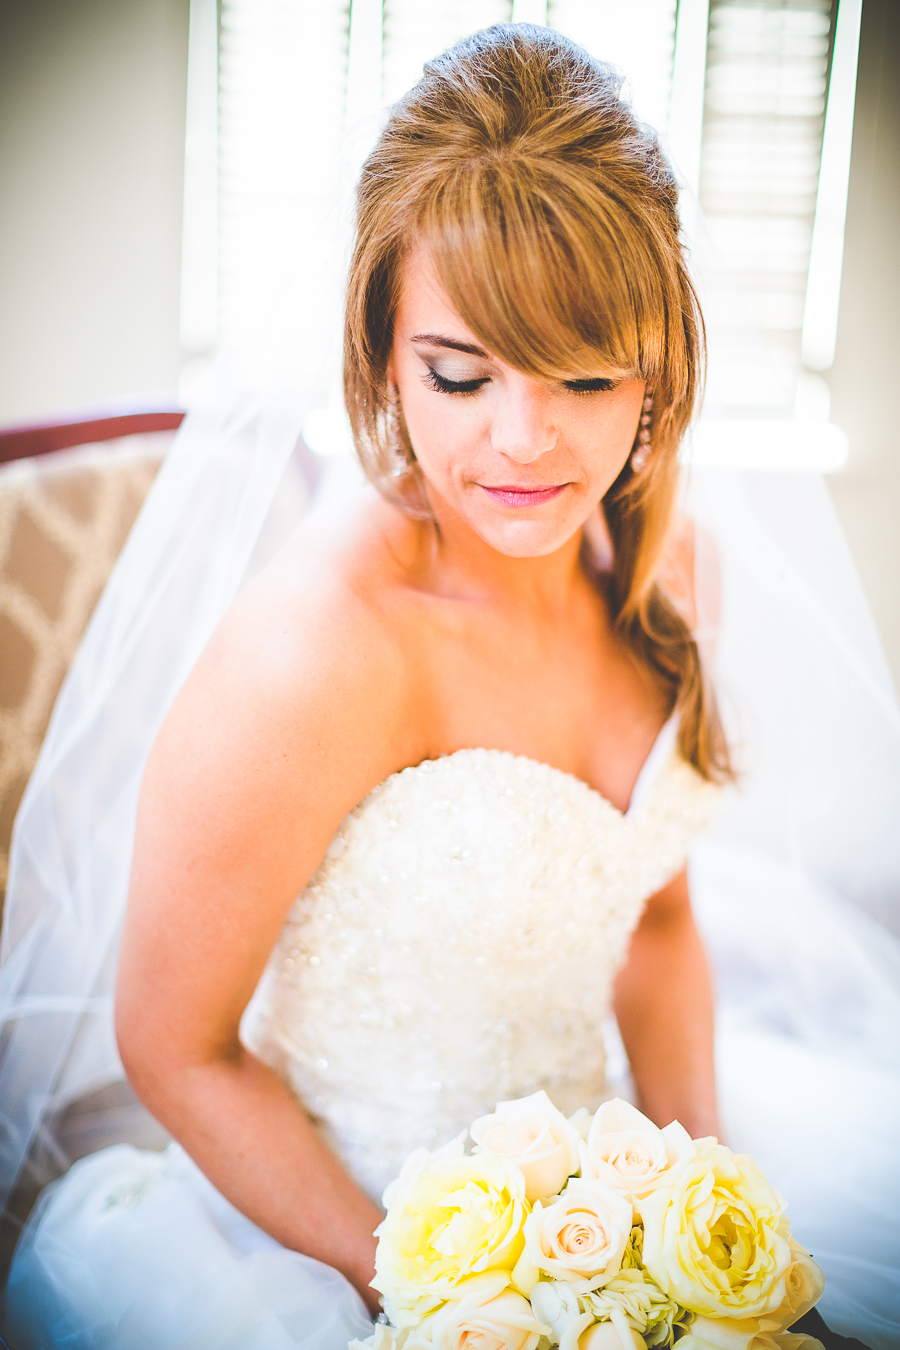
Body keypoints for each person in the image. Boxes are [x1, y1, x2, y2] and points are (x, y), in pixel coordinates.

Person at [2, 24, 899, 1350]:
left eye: (586, 377)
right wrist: (444, 1297)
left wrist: (709, 1222)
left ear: (657, 371)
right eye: (461, 373)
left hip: (603, 1171)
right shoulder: (316, 655)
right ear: (380, 352)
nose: (524, 440)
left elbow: (653, 933)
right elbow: (172, 1047)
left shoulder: (669, 571)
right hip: (325, 1238)